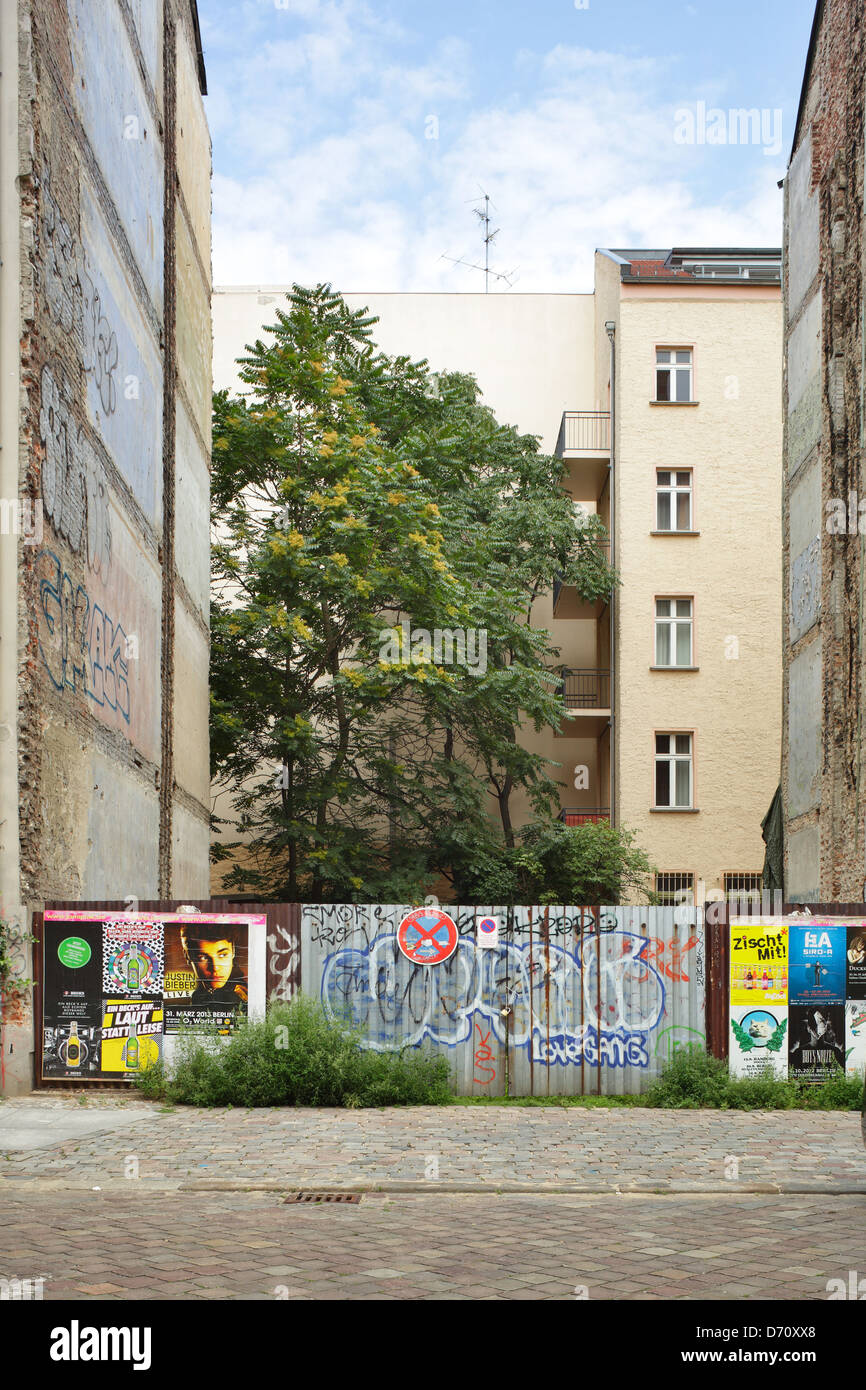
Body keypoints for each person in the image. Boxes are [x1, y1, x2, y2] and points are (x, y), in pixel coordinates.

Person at [179, 923, 248, 1013]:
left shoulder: (246, 997)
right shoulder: (197, 996)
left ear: (233, 950)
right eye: (203, 957)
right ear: (187, 956)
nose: (215, 968)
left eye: (223, 955)